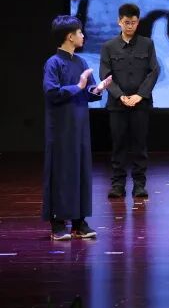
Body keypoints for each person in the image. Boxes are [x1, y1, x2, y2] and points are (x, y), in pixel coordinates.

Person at [43, 15, 113, 240]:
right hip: (61, 127)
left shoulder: (81, 62)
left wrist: (98, 88)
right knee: (61, 171)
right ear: (70, 37)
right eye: (80, 32)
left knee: (81, 170)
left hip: (80, 126)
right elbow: (52, 92)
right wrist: (79, 86)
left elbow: (88, 92)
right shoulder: (54, 63)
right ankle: (57, 222)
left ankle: (79, 221)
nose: (83, 35)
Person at [100, 3, 161, 199]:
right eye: (126, 22)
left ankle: (139, 184)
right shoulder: (108, 46)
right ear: (119, 21)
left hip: (140, 104)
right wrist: (120, 95)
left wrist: (139, 95)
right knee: (118, 144)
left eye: (133, 22)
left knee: (139, 145)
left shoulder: (147, 43)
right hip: (117, 105)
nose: (130, 26)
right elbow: (105, 75)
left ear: (138, 22)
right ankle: (118, 184)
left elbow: (154, 71)